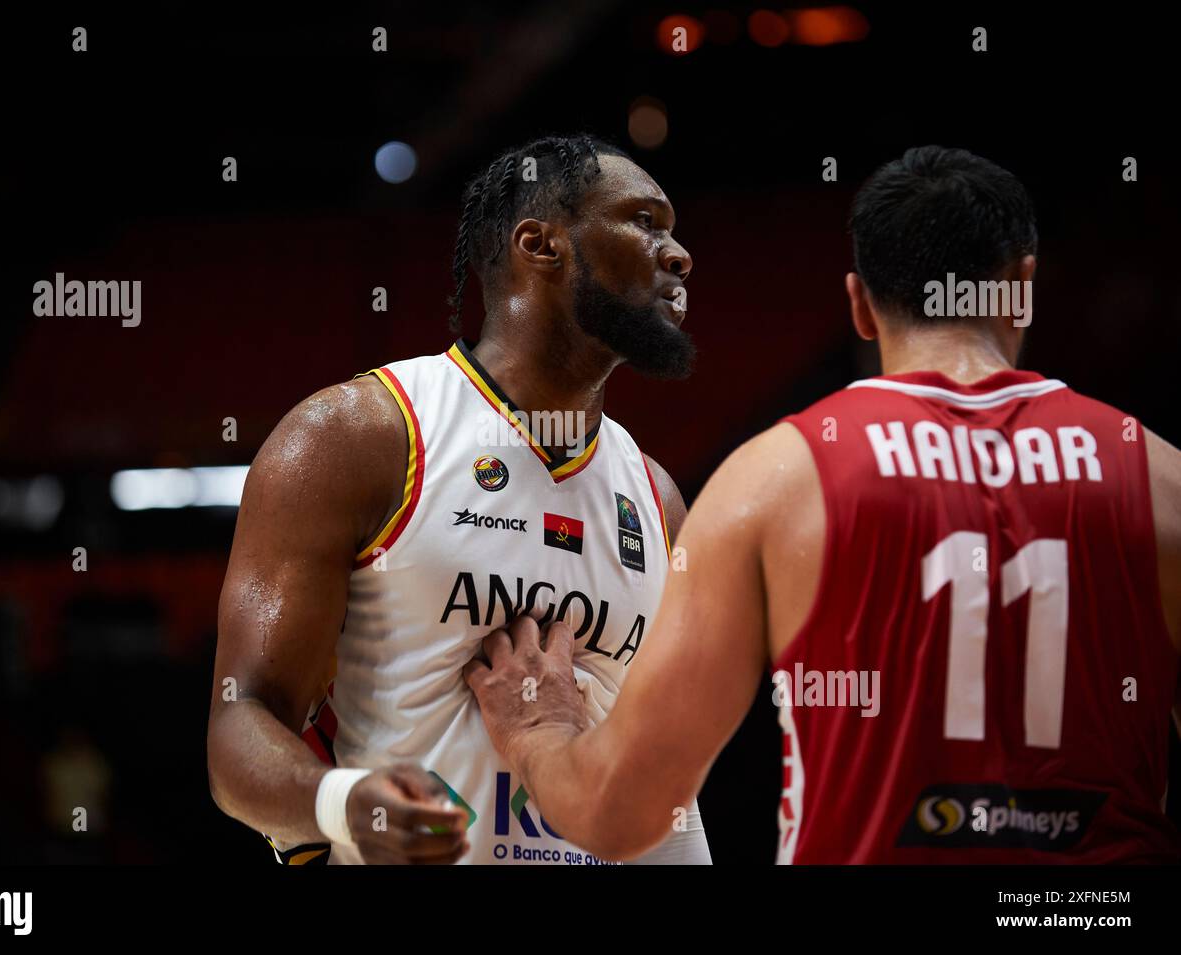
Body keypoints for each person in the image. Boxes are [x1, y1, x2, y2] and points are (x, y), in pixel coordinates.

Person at [465, 145, 1181, 863]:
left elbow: (619, 812)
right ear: (1022, 287)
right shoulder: (1156, 473)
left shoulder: (777, 480)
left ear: (860, 306)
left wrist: (538, 729)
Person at [208, 133, 712, 864]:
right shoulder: (358, 437)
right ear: (540, 245)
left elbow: (666, 778)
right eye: (644, 221)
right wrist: (343, 803)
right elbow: (240, 720)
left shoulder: (657, 499)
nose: (678, 253)